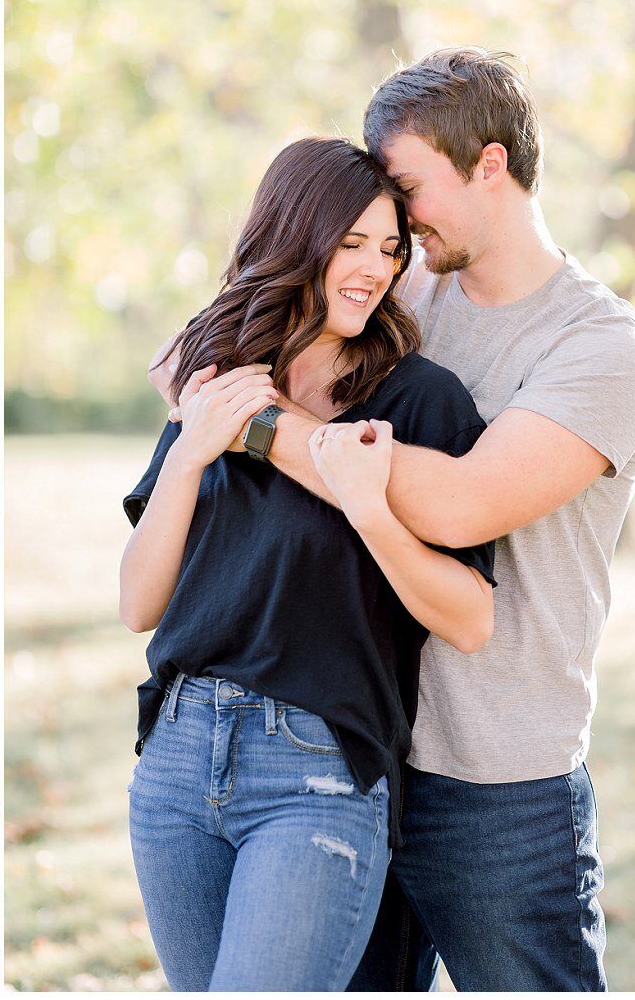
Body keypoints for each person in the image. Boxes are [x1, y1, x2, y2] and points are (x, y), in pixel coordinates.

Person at [154, 48, 635, 991]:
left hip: (496, 784)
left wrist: (258, 424)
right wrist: (217, 399)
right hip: (344, 753)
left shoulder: (601, 347)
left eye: (410, 187)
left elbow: (467, 498)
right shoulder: (400, 289)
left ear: (491, 164)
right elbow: (187, 362)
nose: (397, 223)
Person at [121, 136, 497, 991]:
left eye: (392, 248)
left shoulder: (418, 399)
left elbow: (470, 616)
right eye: (353, 243)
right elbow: (139, 602)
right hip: (177, 757)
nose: (376, 268)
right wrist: (190, 450)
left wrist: (367, 502)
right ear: (297, 237)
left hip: (317, 767)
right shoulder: (215, 381)